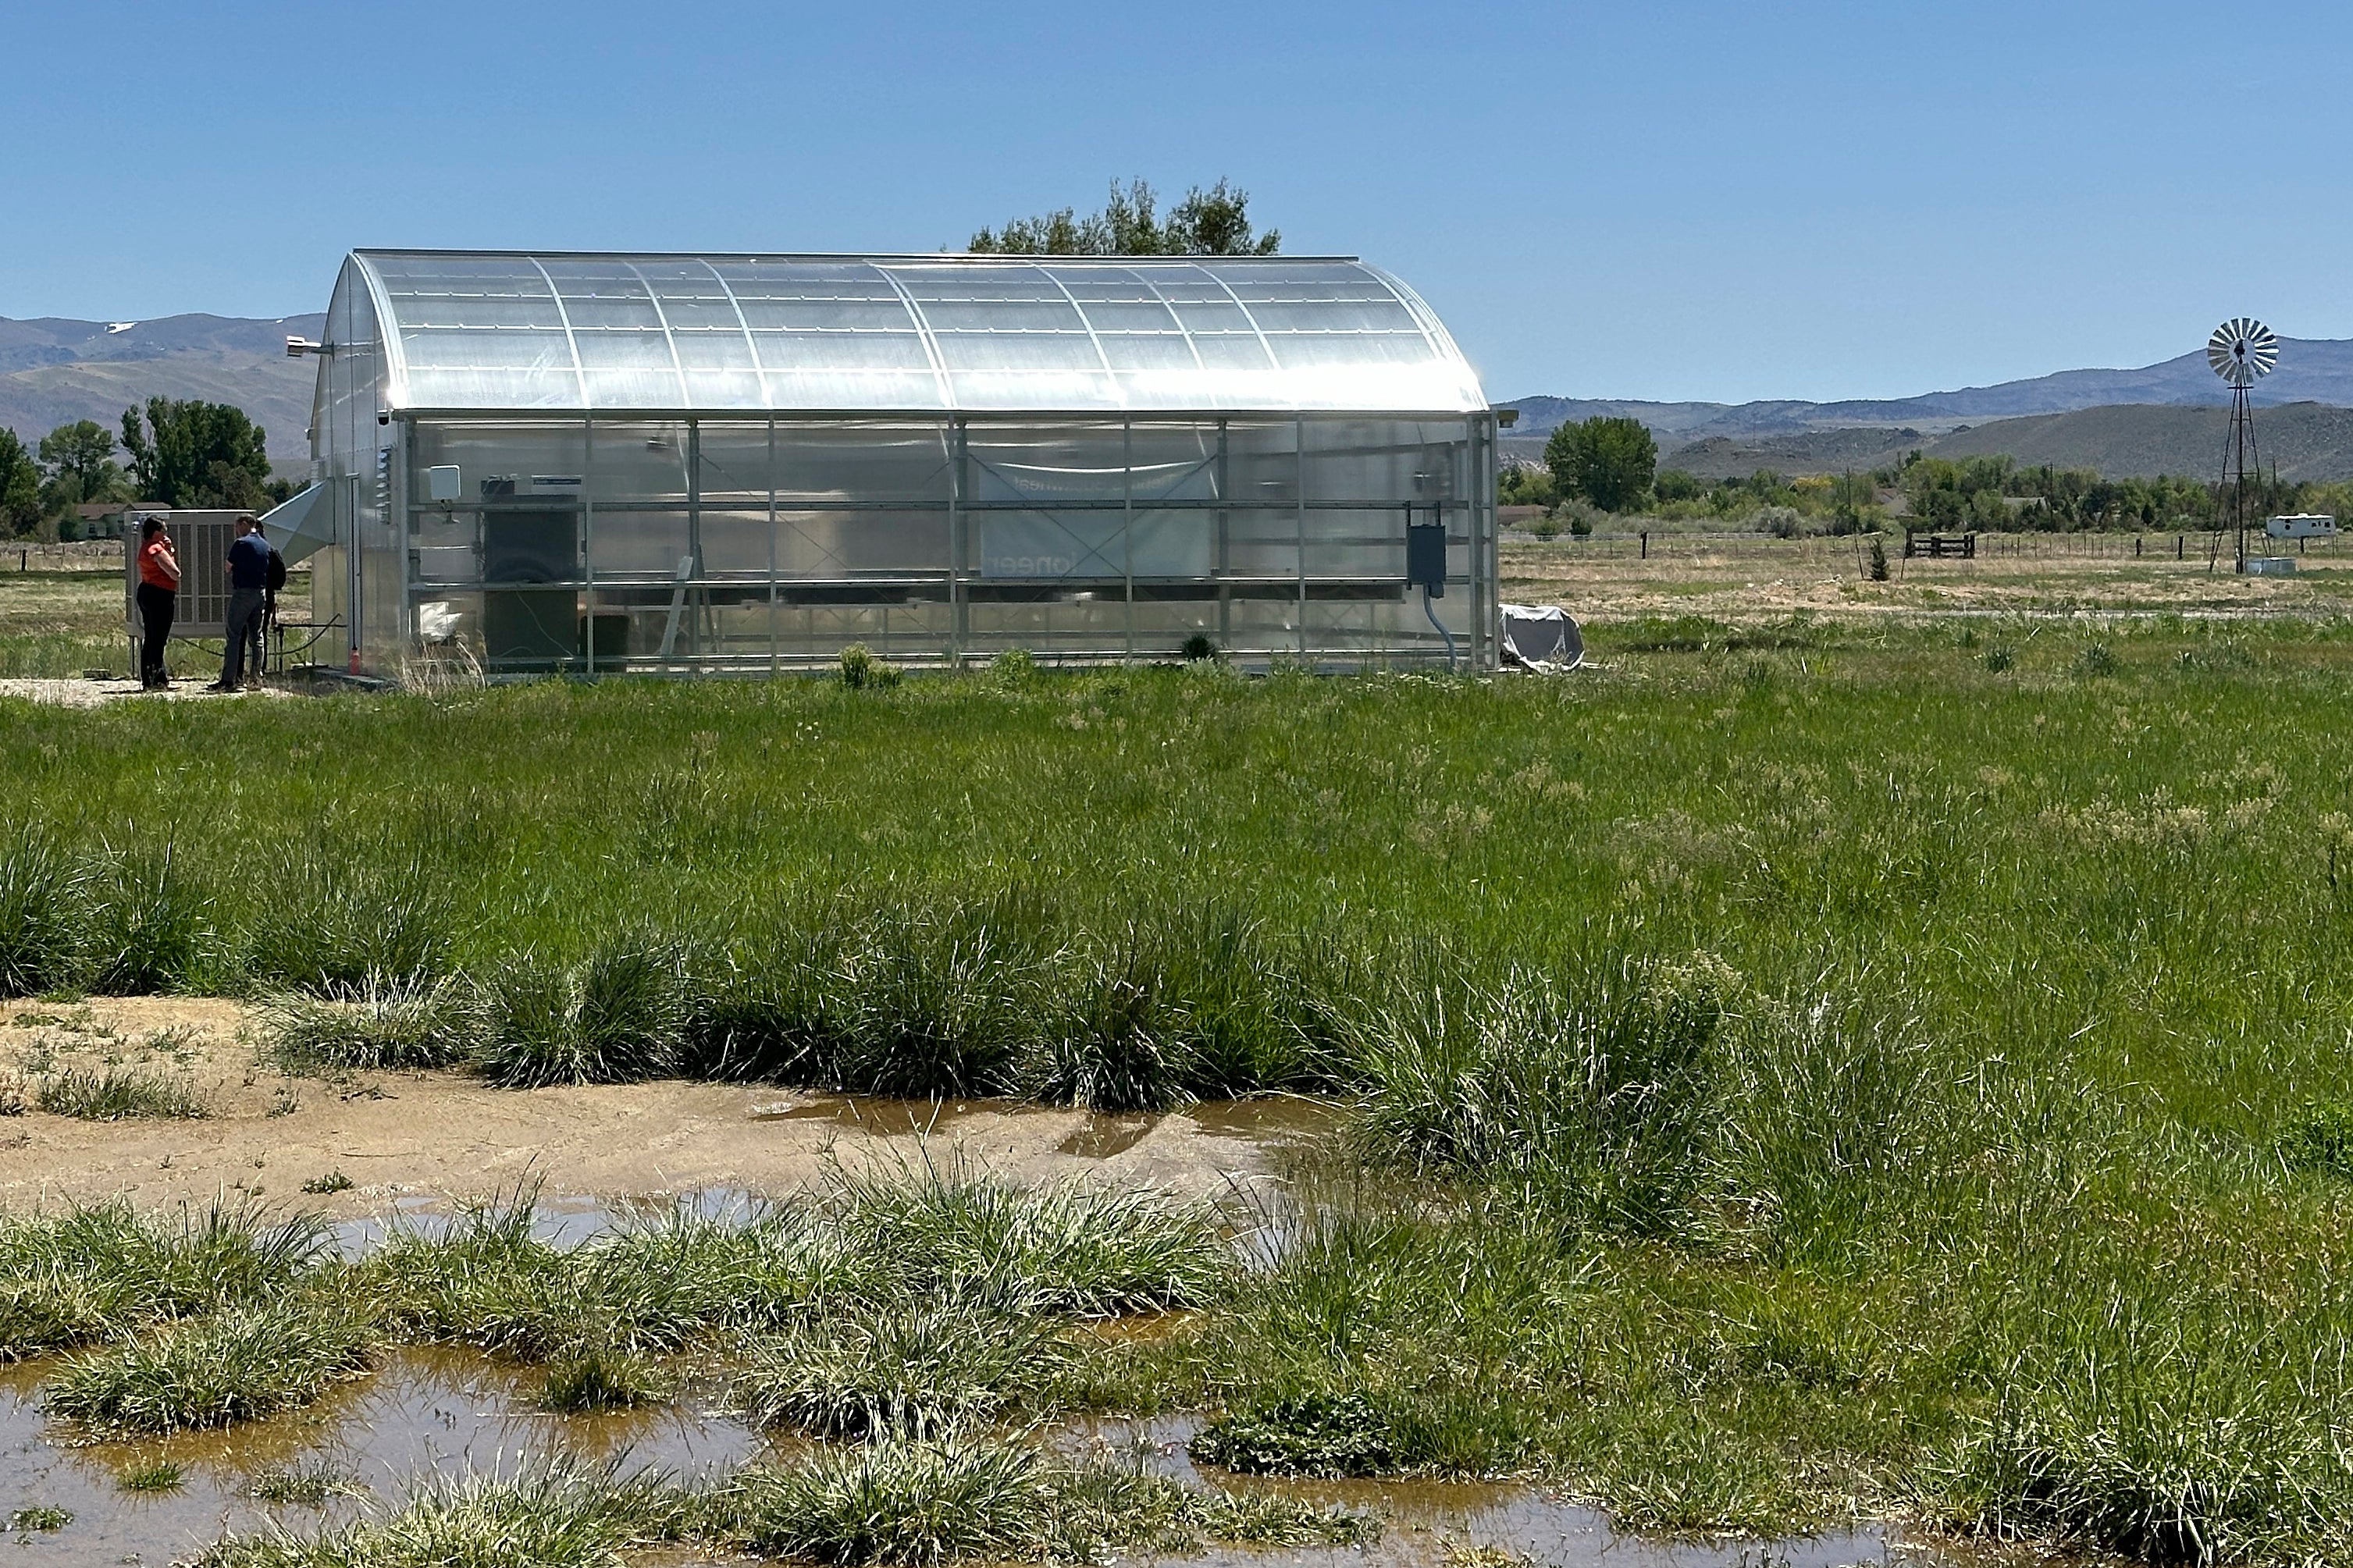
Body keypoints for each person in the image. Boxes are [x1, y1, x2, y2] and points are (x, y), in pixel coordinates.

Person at [214, 515, 271, 692]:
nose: (237, 530)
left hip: (243, 592)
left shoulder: (241, 544)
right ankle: (256, 678)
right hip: (260, 593)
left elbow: (228, 566)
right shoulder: (265, 544)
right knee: (257, 637)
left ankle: (228, 679)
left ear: (245, 524)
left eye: (237, 526)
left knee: (234, 635)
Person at [134, 516, 180, 690]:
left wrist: (168, 549)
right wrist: (168, 551)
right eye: (163, 530)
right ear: (156, 532)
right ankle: (157, 678)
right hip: (160, 595)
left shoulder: (145, 547)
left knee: (151, 637)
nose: (166, 534)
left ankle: (148, 678)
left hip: (146, 591)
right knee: (159, 639)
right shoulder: (156, 549)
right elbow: (174, 573)